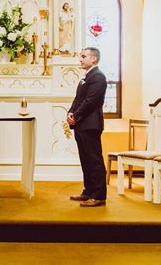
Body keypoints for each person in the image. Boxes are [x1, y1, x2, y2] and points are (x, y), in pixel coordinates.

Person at [67, 47, 107, 207]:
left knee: (94, 160)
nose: (80, 59)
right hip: (82, 123)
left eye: (84, 56)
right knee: (85, 160)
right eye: (80, 56)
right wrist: (71, 112)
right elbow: (78, 99)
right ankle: (89, 191)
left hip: (91, 124)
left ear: (94, 59)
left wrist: (75, 115)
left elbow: (91, 101)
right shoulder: (86, 76)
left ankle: (98, 196)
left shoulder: (98, 77)